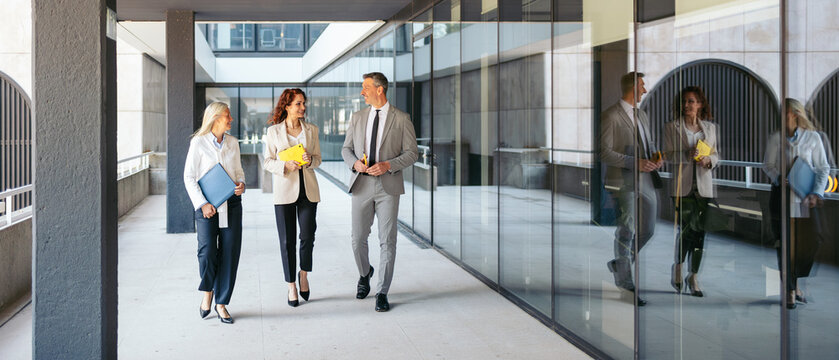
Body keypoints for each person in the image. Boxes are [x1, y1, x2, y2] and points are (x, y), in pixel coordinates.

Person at [341, 72, 418, 312]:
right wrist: (355, 164)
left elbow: (412, 153)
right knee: (357, 239)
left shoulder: (402, 119)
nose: (362, 92)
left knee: (388, 241)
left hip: (388, 186)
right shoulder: (357, 117)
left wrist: (388, 165)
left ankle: (382, 291)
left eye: (365, 87)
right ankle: (365, 274)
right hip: (362, 184)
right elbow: (346, 149)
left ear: (379, 90)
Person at [600, 71, 662, 306]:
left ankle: (619, 263)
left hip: (646, 178)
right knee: (627, 229)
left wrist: (657, 157)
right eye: (642, 86)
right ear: (631, 87)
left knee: (648, 229)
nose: (645, 90)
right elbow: (604, 152)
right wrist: (633, 162)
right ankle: (626, 283)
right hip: (623, 181)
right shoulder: (610, 116)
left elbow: (650, 143)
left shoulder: (642, 115)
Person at [763, 98, 830, 309]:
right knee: (784, 244)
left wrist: (816, 193)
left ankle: (795, 280)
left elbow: (823, 168)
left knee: (812, 242)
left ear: (795, 113)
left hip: (805, 199)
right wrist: (778, 177)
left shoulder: (813, 138)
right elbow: (767, 165)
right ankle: (790, 290)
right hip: (781, 197)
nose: (781, 113)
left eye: (785, 111)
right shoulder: (775, 139)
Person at [184, 102, 246, 324]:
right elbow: (189, 177)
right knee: (208, 251)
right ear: (216, 118)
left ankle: (221, 303)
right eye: (228, 116)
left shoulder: (232, 142)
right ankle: (208, 289)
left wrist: (241, 184)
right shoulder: (198, 143)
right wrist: (202, 204)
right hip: (207, 207)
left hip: (232, 204)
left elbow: (239, 172)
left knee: (230, 253)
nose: (231, 120)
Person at [263, 88, 321, 307]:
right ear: (287, 106)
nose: (303, 107)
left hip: (308, 190)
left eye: (303, 103)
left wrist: (309, 160)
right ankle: (291, 286)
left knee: (307, 236)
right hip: (285, 190)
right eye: (298, 104)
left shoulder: (312, 130)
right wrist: (284, 165)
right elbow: (267, 161)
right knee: (287, 240)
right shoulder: (273, 132)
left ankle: (303, 274)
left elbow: (318, 159)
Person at [663, 86, 720, 297]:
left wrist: (708, 161)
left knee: (700, 234)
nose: (687, 105)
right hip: (682, 187)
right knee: (686, 230)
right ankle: (678, 267)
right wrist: (686, 153)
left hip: (704, 188)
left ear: (700, 104)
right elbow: (668, 156)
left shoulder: (710, 129)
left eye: (692, 101)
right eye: (685, 101)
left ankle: (693, 275)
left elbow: (716, 156)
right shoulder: (672, 127)